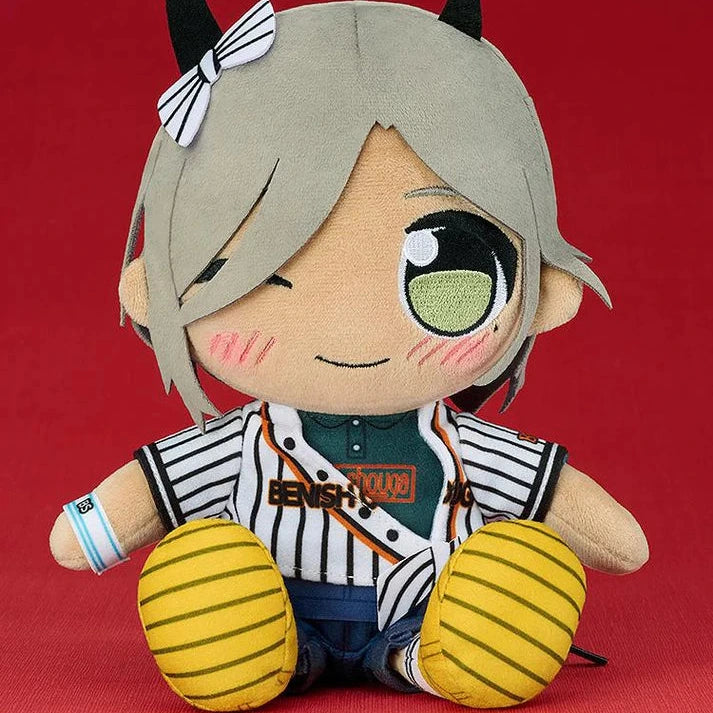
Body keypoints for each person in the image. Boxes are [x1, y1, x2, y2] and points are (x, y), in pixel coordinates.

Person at [50, 0, 648, 709]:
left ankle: (435, 658)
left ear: (538, 290)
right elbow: (125, 509)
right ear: (158, 290)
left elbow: (608, 536)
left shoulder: (462, 445)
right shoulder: (242, 444)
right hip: (277, 614)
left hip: (426, 612)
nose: (350, 320)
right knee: (204, 576)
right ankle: (253, 651)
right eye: (265, 275)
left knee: (521, 574)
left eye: (445, 271)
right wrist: (98, 526)